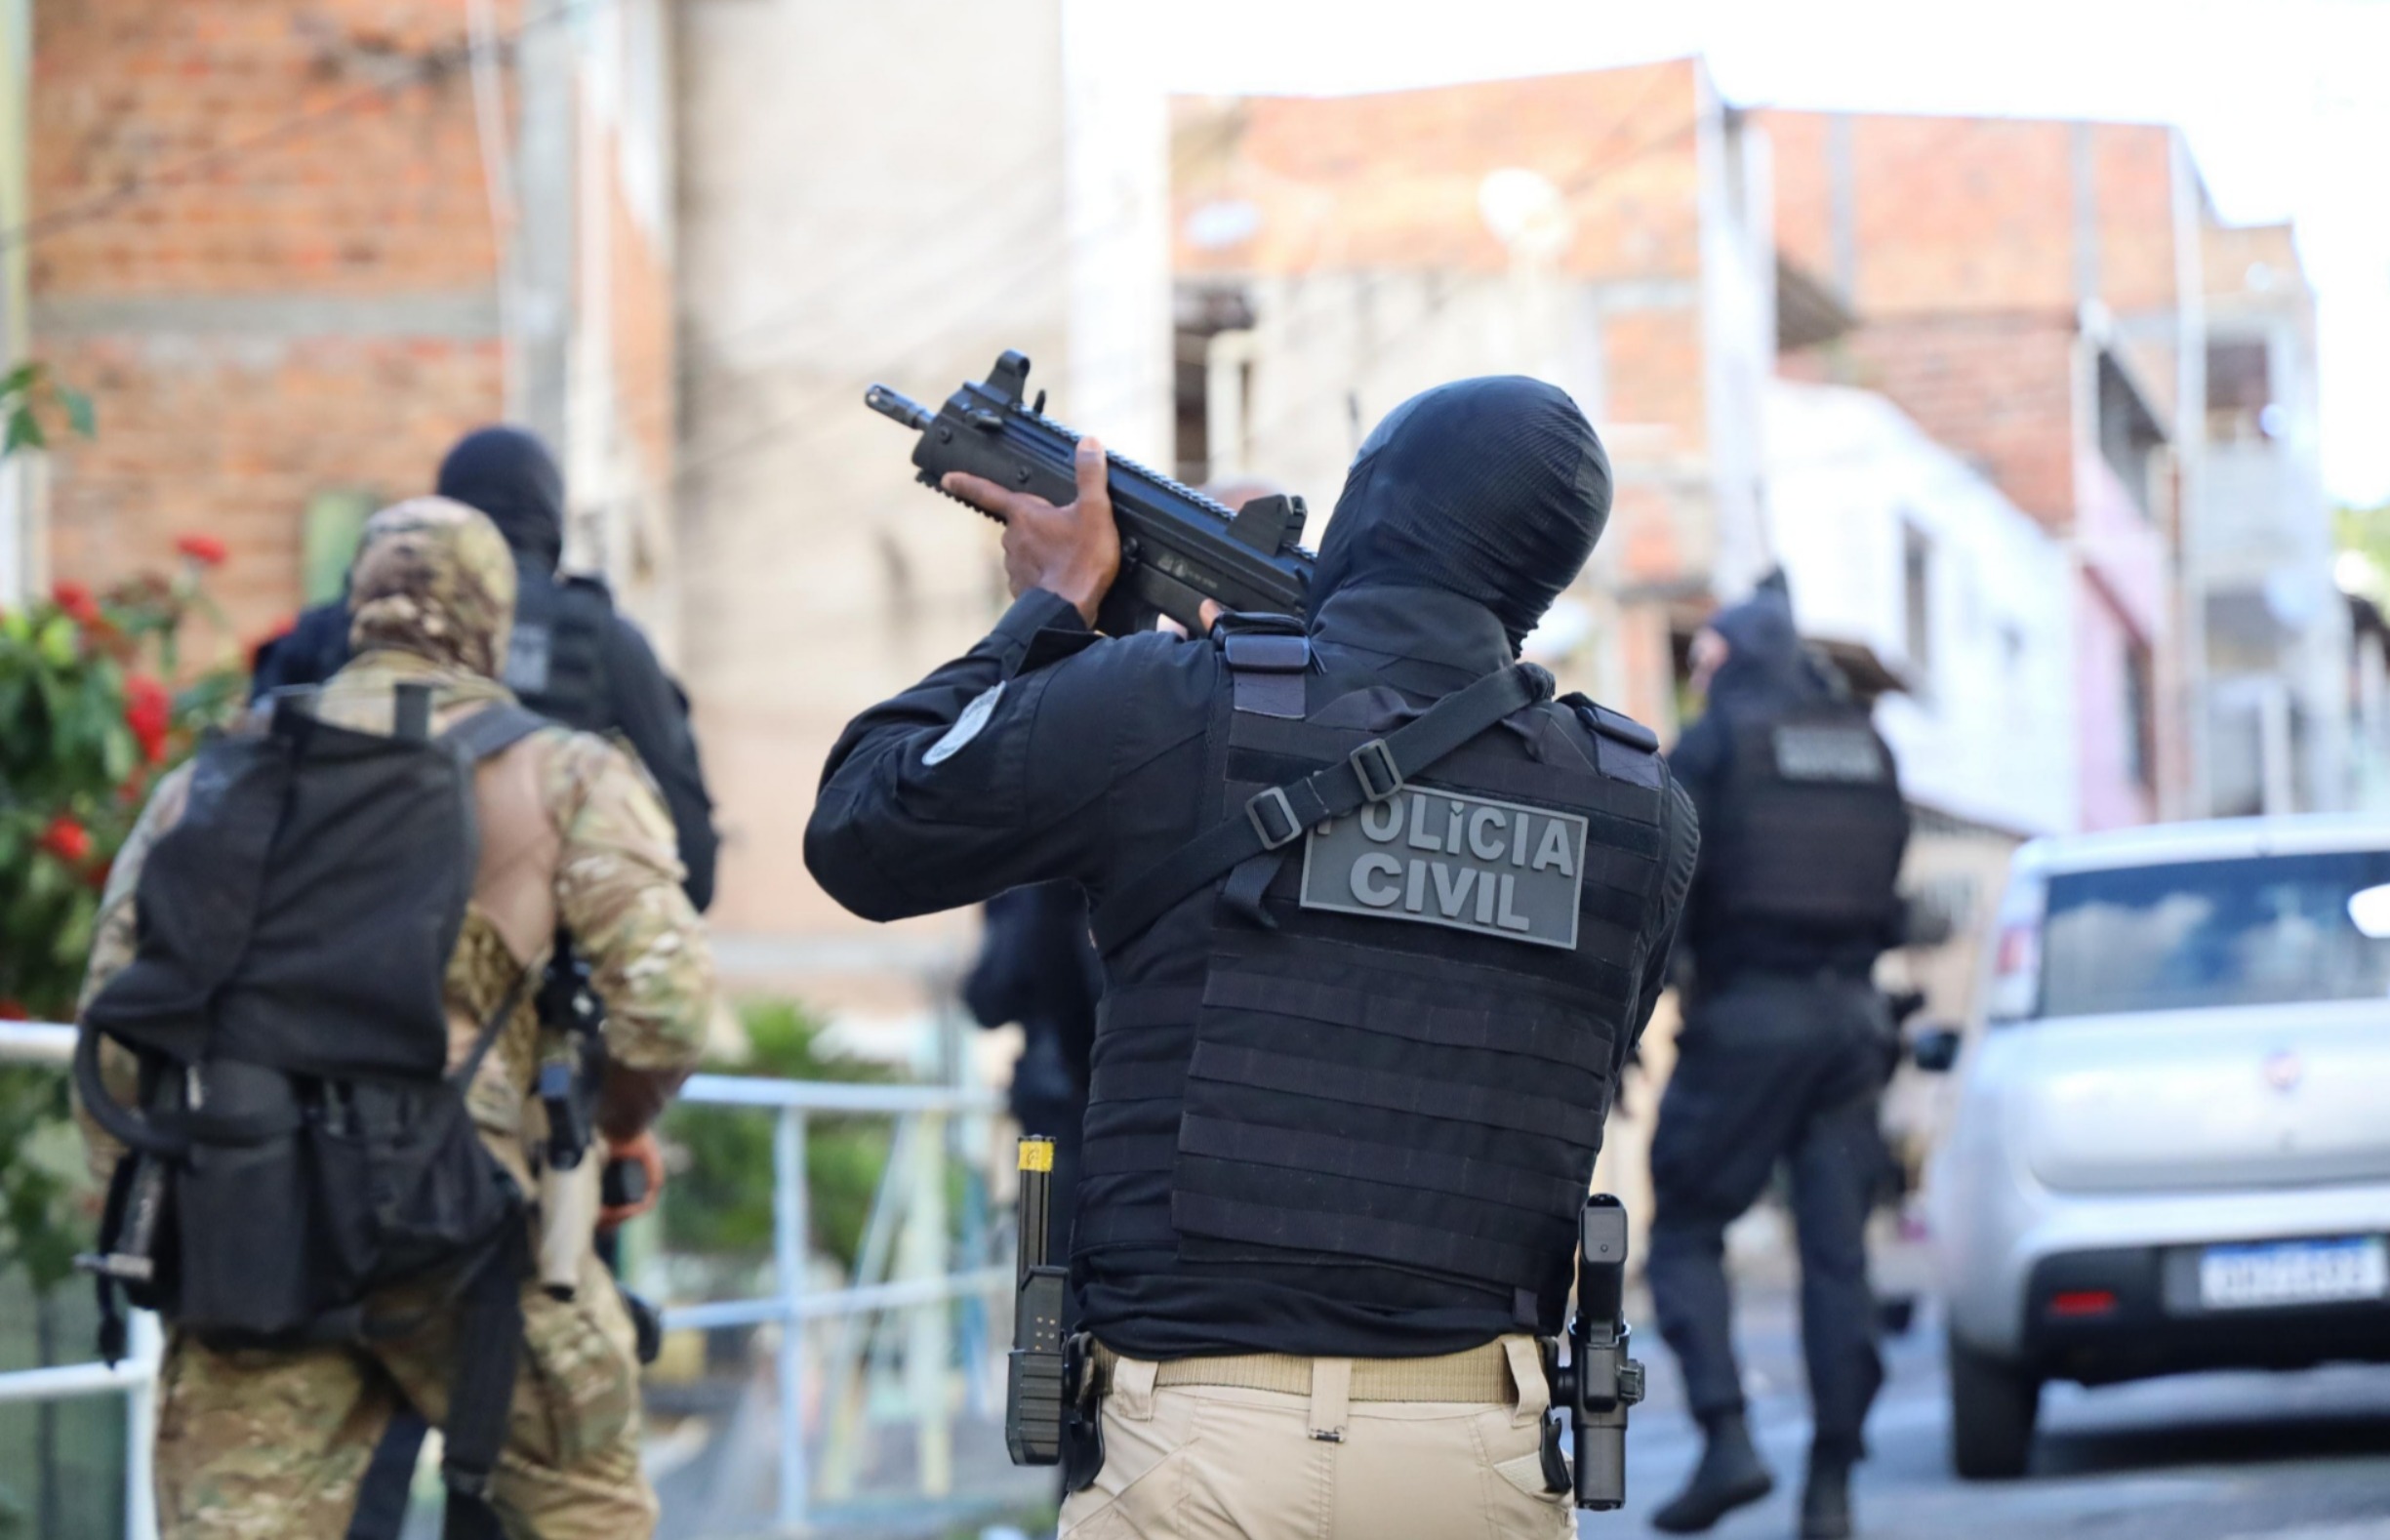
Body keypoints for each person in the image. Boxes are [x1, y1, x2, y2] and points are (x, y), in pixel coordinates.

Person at [807, 377, 1698, 1540]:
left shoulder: (1169, 706)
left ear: (1373, 503)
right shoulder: (1641, 808)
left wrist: (1053, 608)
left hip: (1199, 1443)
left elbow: (863, 829)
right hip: (1480, 1452)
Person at [77, 498, 716, 1540]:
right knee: (584, 1508)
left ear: (357, 612)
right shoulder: (563, 774)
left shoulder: (214, 780)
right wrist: (606, 1131)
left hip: (254, 1221)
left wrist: (164, 1211)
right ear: (495, 623)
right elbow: (669, 1008)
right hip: (478, 1236)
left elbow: (114, 1032)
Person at [1643, 579, 1910, 1540]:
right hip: (1853, 1025)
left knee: (1683, 1231)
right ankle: (1831, 1484)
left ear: (1732, 655)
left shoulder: (1714, 744)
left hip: (1749, 1021)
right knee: (1837, 1257)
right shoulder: (1868, 747)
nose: (1697, 674)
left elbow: (1664, 886)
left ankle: (1727, 1439)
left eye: (1704, 656)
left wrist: (1628, 1016)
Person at [252, 426, 719, 912]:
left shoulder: (342, 623)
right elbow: (694, 863)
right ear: (551, 516)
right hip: (542, 942)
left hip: (345, 933)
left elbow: (246, 793)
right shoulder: (605, 640)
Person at [961, 881, 1102, 1274]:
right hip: (1105, 1095)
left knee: (1043, 1253)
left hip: (1047, 1109)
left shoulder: (1023, 883)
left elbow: (989, 995)